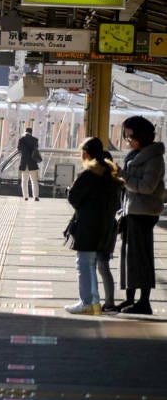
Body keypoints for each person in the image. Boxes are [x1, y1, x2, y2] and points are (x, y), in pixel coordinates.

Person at [64, 137, 121, 315]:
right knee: (92, 264)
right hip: (106, 226)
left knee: (84, 264)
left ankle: (86, 302)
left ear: (86, 153)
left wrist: (84, 207)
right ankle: (95, 303)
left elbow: (73, 197)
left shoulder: (89, 174)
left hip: (88, 225)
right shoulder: (111, 174)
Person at [115, 115, 165, 315]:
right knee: (128, 257)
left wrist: (123, 175)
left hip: (143, 212)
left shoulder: (154, 158)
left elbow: (146, 187)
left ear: (141, 135)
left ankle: (144, 302)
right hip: (131, 210)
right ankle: (129, 299)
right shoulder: (135, 154)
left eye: (129, 136)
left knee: (141, 258)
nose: (127, 140)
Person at [97, 150, 124, 313]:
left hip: (98, 226)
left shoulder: (97, 181)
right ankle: (109, 300)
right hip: (110, 225)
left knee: (92, 264)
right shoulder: (116, 182)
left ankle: (93, 300)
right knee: (103, 265)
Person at [18, 127, 40, 201]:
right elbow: (36, 150)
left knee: (24, 181)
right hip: (33, 163)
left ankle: (26, 196)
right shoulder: (35, 140)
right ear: (31, 132)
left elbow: (19, 149)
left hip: (24, 163)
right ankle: (36, 196)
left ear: (25, 132)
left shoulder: (21, 139)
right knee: (34, 181)